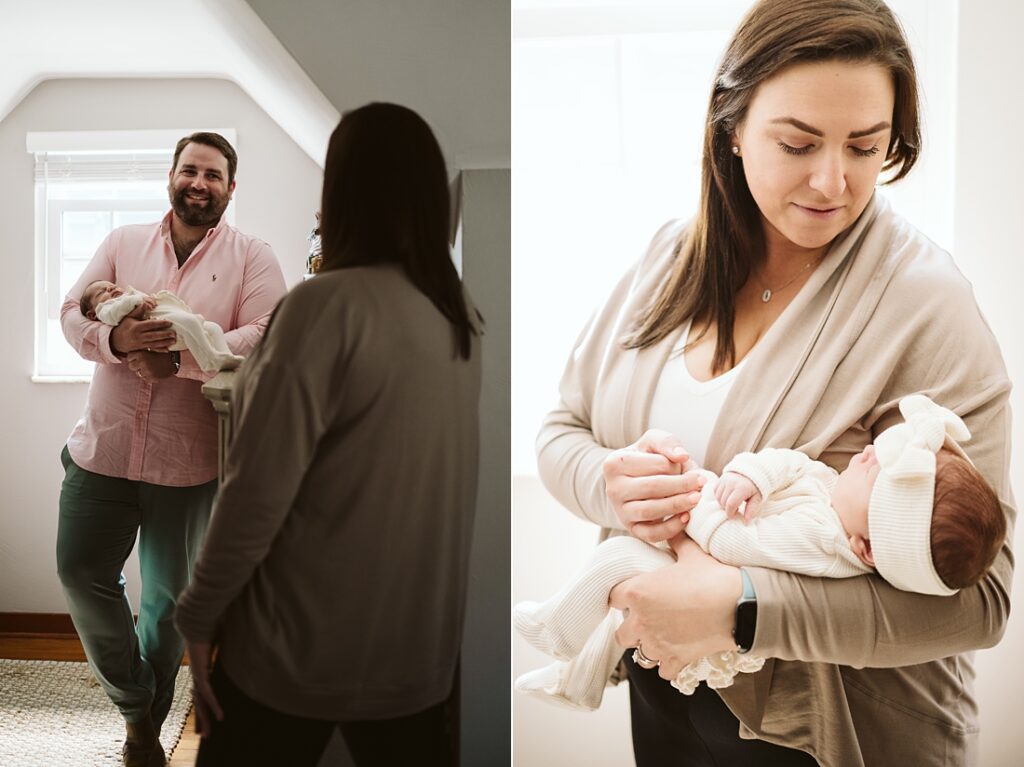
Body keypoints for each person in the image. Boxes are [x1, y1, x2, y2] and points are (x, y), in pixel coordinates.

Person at [534, 1, 1014, 765]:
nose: (834, 181)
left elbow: (981, 603)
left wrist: (746, 609)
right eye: (798, 143)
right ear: (731, 126)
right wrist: (607, 484)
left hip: (830, 729)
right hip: (663, 694)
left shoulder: (924, 301)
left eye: (867, 146)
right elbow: (563, 427)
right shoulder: (668, 259)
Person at [174, 103, 483, 767]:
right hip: (416, 655)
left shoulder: (324, 307)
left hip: (297, 649)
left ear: (341, 193)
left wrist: (198, 616)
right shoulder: (457, 317)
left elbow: (254, 494)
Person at [517, 395, 1005, 709]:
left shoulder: (824, 542)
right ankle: (578, 681)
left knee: (615, 561)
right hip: (695, 560)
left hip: (703, 563)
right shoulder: (836, 496)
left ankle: (557, 630)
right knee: (618, 611)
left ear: (868, 548)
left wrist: (697, 501)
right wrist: (754, 476)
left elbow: (737, 543)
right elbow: (793, 464)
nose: (869, 453)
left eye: (877, 473)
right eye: (882, 449)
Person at [57, 131, 287, 767]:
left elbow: (268, 334)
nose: (199, 182)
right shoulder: (121, 242)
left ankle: (142, 733)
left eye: (213, 175)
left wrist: (176, 358)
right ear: (171, 176)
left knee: (164, 606)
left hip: (188, 464)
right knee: (79, 572)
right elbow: (72, 312)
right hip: (100, 448)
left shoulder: (253, 256)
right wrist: (121, 342)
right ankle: (137, 700)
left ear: (230, 189)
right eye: (190, 170)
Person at [80, 280, 244, 373]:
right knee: (191, 323)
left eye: (112, 285)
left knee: (213, 328)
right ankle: (209, 360)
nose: (111, 288)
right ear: (92, 314)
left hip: (172, 320)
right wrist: (136, 300)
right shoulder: (105, 309)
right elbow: (113, 314)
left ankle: (224, 355)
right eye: (101, 292)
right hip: (162, 327)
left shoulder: (130, 295)